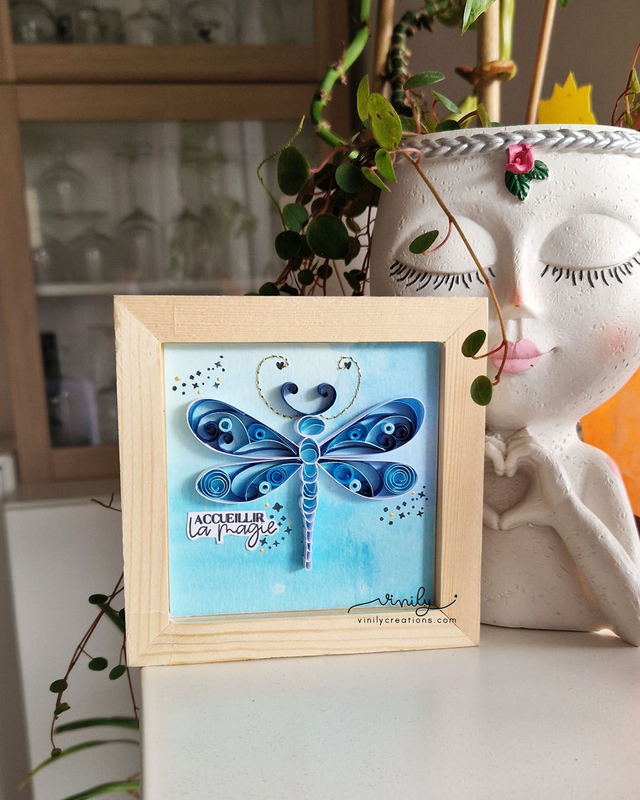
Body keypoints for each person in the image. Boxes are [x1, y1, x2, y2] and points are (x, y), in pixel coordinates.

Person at [371, 125, 640, 644]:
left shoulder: (585, 471)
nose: (517, 299)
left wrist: (562, 505)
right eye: (447, 265)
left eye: (587, 262)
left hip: (568, 669)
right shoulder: (417, 459)